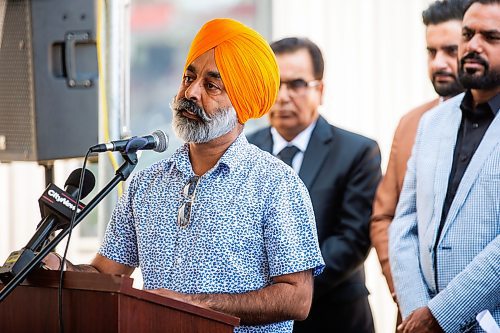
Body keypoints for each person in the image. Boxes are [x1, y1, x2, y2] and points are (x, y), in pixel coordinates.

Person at [44, 18, 325, 333]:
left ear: (242, 103)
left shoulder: (276, 184)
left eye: (211, 85)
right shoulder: (145, 183)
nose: (190, 92)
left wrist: (193, 306)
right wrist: (60, 267)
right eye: (188, 77)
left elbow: (296, 298)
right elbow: (106, 273)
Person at [248, 37, 381, 333]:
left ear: (319, 90)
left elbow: (352, 240)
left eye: (296, 84)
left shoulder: (357, 152)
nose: (282, 96)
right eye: (275, 84)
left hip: (333, 318)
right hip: (256, 319)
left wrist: (287, 291)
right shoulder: (244, 151)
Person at [389, 0, 500, 332]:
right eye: (468, 34)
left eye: (491, 37)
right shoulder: (432, 123)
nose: (473, 46)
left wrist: (441, 315)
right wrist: (417, 310)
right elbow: (403, 223)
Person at [370, 0, 464, 319]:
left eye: (450, 50)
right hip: (413, 314)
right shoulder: (412, 124)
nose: (439, 63)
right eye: (431, 51)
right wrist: (409, 295)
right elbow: (385, 217)